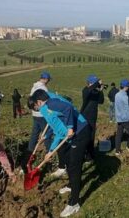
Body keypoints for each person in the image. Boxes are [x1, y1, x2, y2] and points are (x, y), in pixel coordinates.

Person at [28, 89, 90, 217]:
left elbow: (68, 108)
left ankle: (74, 203)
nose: (37, 110)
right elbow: (55, 126)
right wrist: (49, 145)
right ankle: (72, 185)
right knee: (68, 160)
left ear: (39, 102)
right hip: (73, 134)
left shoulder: (51, 105)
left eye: (35, 107)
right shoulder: (48, 106)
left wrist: (70, 127)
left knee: (74, 165)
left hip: (81, 132)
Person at [24, 71, 52, 173]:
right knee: (47, 134)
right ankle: (50, 155)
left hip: (34, 115)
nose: (48, 82)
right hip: (42, 115)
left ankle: (29, 153)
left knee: (34, 135)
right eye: (48, 80)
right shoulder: (43, 88)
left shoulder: (34, 86)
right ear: (45, 79)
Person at [80, 75, 105, 161]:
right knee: (85, 136)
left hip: (93, 117)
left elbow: (101, 101)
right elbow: (89, 91)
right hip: (85, 116)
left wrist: (100, 91)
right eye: (95, 82)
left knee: (91, 136)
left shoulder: (95, 91)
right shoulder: (86, 90)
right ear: (90, 83)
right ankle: (83, 154)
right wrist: (98, 83)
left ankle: (89, 155)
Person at [114, 80, 129, 155]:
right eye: (127, 86)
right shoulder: (125, 97)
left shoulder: (117, 95)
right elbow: (127, 109)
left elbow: (116, 107)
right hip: (126, 119)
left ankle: (117, 151)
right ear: (125, 87)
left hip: (119, 118)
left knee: (119, 135)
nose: (128, 88)